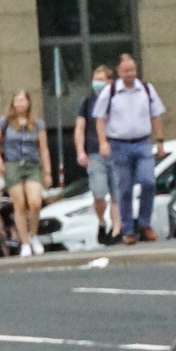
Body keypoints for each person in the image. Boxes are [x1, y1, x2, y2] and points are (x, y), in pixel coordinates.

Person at [95, 53, 167, 243]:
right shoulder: (110, 92)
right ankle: (128, 230)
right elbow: (100, 119)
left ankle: (144, 223)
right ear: (119, 71)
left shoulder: (146, 89)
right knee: (125, 189)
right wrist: (103, 142)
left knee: (148, 182)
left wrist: (160, 141)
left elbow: (157, 115)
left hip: (143, 143)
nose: (130, 74)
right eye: (126, 71)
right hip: (119, 145)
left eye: (132, 70)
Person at [0, 89, 53, 255]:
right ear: (13, 103)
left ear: (28, 102)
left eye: (23, 100)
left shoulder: (37, 123)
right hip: (13, 165)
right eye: (17, 100)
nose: (20, 104)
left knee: (35, 202)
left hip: (32, 165)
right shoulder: (5, 121)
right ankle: (24, 243)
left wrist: (47, 172)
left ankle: (33, 234)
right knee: (20, 204)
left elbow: (43, 149)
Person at [73, 64, 115, 243]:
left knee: (117, 193)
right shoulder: (87, 101)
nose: (97, 84)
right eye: (95, 80)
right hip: (94, 153)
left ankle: (116, 228)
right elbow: (80, 128)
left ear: (109, 81)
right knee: (99, 193)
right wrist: (80, 151)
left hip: (115, 152)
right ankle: (101, 220)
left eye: (101, 80)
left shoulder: (115, 99)